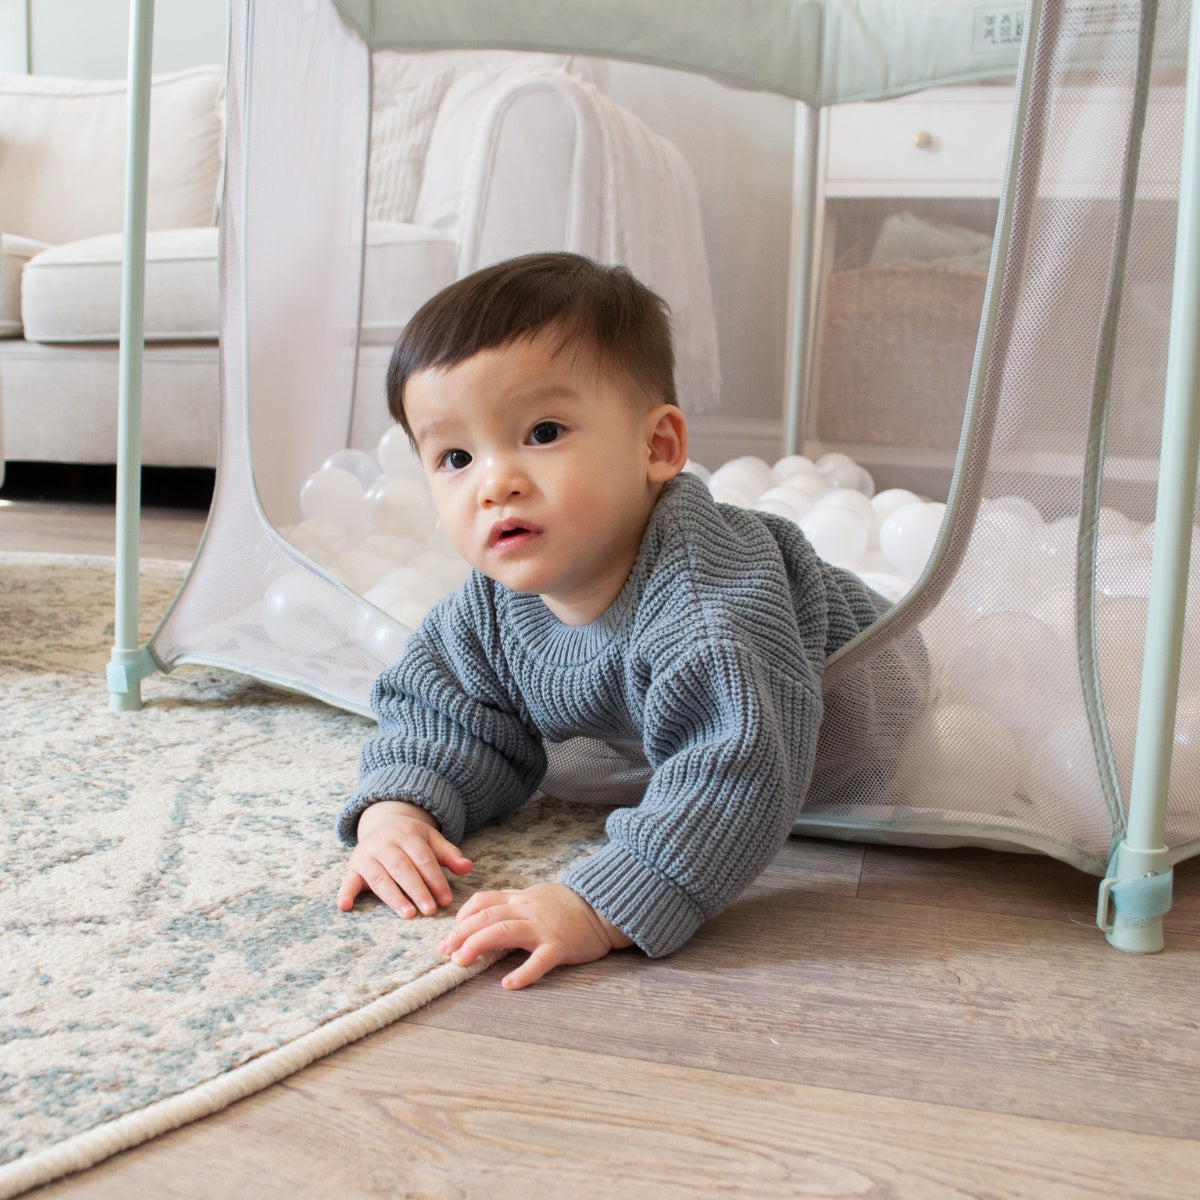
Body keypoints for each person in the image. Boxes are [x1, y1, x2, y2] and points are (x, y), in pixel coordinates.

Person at [336, 251, 926, 989]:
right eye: (456, 456)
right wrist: (398, 808)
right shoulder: (494, 603)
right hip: (722, 714)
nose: (497, 483)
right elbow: (445, 708)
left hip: (865, 719)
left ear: (658, 447)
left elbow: (733, 768)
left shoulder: (710, 603)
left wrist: (599, 904)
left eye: (543, 433)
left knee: (740, 717)